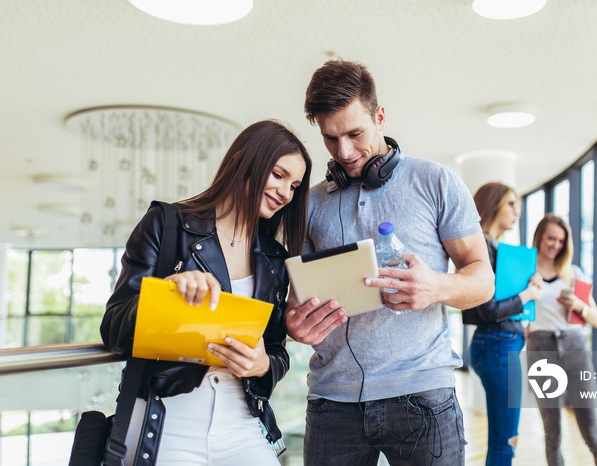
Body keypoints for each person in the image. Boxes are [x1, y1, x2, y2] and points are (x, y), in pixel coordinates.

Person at [284, 59, 494, 465]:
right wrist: (296, 323)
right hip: (333, 401)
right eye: (330, 139)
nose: (343, 152)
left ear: (380, 117)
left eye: (355, 133)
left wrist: (437, 286)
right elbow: (297, 300)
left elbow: (482, 279)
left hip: (423, 397)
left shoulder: (436, 181)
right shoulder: (309, 202)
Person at [100, 120, 312, 465]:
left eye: (294, 185)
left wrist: (262, 366)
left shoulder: (275, 258)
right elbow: (113, 330)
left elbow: (275, 349)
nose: (286, 192)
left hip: (243, 422)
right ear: (245, 160)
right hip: (166, 418)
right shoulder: (166, 224)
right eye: (278, 175)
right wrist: (166, 292)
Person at [462, 182, 542, 465]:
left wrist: (526, 294)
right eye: (511, 204)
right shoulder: (482, 247)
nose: (516, 213)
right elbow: (488, 310)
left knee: (505, 437)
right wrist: (527, 295)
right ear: (493, 204)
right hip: (498, 344)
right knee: (505, 438)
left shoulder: (492, 247)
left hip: (499, 343)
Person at [526, 213, 597, 466]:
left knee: (593, 434)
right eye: (551, 238)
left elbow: (596, 320)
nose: (555, 245)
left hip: (575, 349)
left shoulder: (574, 274)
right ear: (539, 237)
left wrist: (579, 305)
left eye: (561, 241)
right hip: (540, 351)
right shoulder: (527, 273)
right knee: (552, 434)